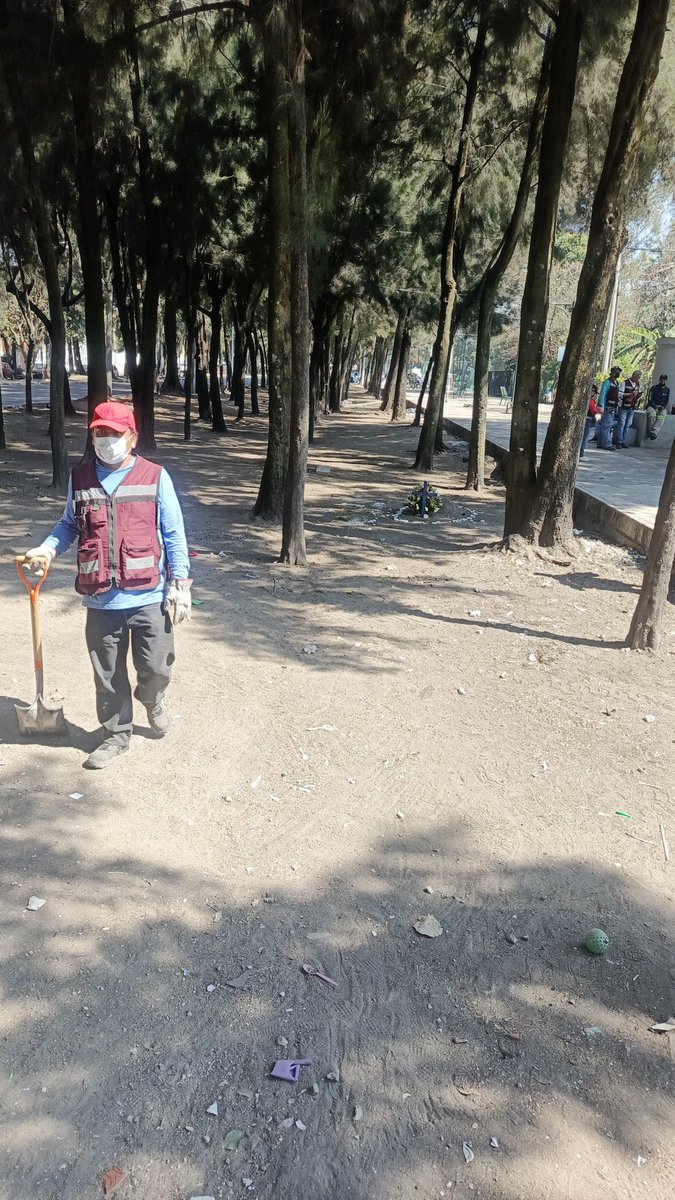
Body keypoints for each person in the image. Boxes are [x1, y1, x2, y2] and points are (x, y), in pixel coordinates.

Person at [23, 401, 192, 770]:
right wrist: (48, 549)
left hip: (149, 595)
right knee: (108, 676)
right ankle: (116, 733)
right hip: (101, 600)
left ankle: (153, 699)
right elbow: (69, 524)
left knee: (156, 668)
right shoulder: (80, 478)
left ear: (132, 437)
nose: (105, 440)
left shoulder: (155, 476)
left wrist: (180, 581)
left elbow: (173, 532)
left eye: (114, 434)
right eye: (99, 433)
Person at [615, 368, 642, 448]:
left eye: (638, 378)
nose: (637, 379)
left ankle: (624, 441)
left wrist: (638, 396)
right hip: (624, 406)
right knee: (621, 424)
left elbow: (638, 394)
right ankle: (619, 441)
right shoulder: (625, 383)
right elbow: (619, 394)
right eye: (636, 377)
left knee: (628, 424)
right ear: (633, 376)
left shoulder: (638, 384)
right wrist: (629, 394)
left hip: (632, 407)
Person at [596, 366, 622, 449]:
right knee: (607, 425)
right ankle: (607, 444)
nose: (618, 373)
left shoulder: (616, 383)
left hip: (612, 406)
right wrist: (601, 406)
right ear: (612, 372)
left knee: (604, 425)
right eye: (616, 371)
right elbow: (603, 394)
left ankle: (600, 443)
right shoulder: (607, 382)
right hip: (607, 406)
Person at [646, 373, 671, 440]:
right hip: (652, 406)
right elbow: (650, 399)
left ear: (666, 381)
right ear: (659, 380)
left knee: (662, 415)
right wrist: (655, 407)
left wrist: (663, 407)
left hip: (662, 407)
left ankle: (654, 431)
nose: (663, 381)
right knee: (652, 414)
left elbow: (667, 400)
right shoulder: (653, 388)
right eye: (661, 379)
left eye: (664, 380)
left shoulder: (667, 390)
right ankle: (651, 432)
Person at [580, 383, 601, 458]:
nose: (595, 395)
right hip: (588, 419)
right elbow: (594, 411)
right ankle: (581, 452)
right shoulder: (591, 401)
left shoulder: (584, 399)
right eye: (594, 393)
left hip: (585, 419)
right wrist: (599, 412)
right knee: (585, 437)